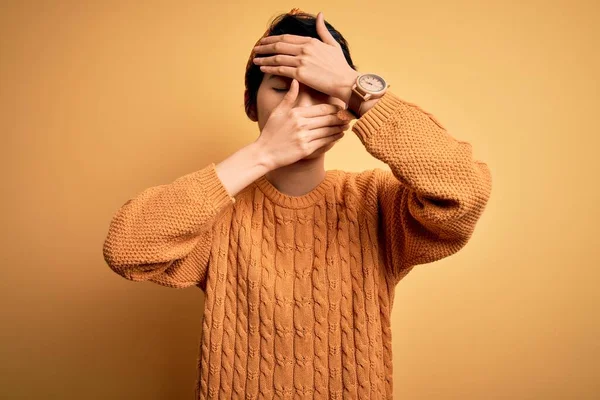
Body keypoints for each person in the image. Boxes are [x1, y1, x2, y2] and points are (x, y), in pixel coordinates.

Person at [102, 8, 492, 400]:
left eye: (319, 87)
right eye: (280, 86)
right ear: (251, 104)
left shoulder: (379, 205)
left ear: (346, 107)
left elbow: (465, 192)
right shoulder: (219, 214)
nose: (299, 103)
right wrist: (260, 155)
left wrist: (354, 84)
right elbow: (126, 249)